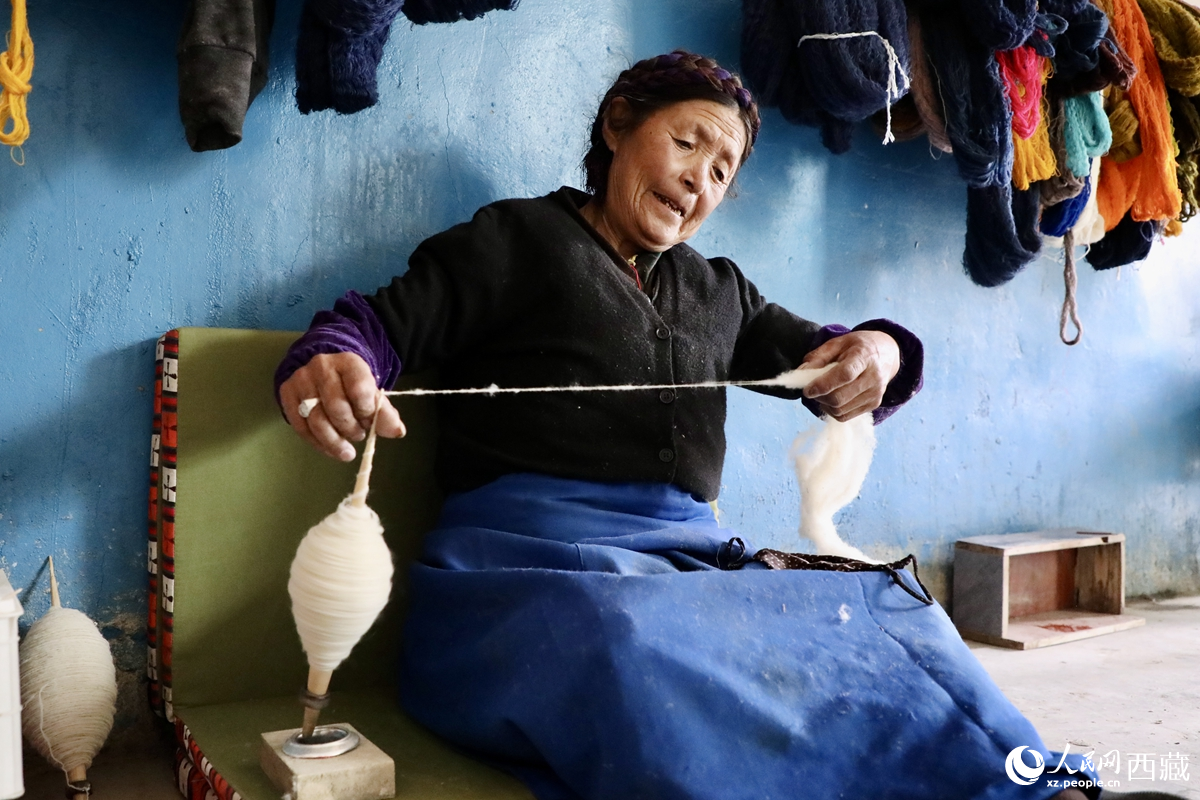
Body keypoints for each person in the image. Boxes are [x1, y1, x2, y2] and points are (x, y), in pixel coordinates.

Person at [276, 51, 1100, 800]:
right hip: (523, 574)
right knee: (627, 638)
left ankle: (1030, 792)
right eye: (686, 142)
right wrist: (333, 362)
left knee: (886, 610)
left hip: (687, 567)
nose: (699, 178)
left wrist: (878, 351)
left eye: (722, 168)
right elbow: (376, 326)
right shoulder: (515, 237)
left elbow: (832, 361)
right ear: (618, 124)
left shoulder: (719, 289)